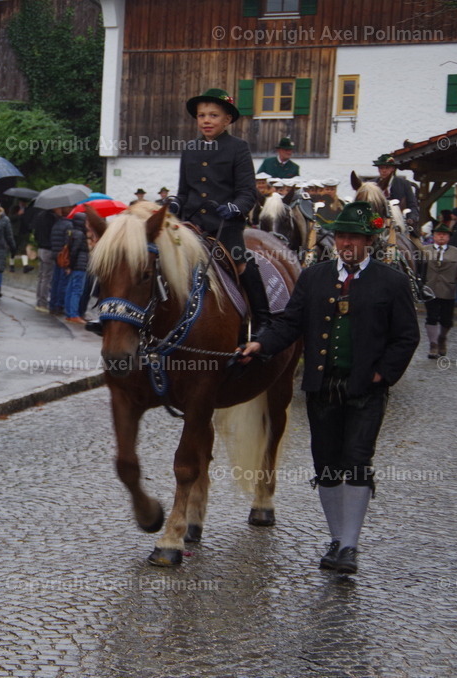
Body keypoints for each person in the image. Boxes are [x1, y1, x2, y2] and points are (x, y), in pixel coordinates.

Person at [239, 201, 419, 575]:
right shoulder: (314, 276)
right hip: (322, 385)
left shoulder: (392, 281)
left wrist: (381, 375)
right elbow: (290, 323)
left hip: (365, 388)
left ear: (367, 241)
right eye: (340, 236)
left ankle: (350, 545)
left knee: (356, 461)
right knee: (326, 464)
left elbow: (406, 337)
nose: (345, 242)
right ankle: (336, 539)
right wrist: (261, 344)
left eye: (353, 236)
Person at [171, 87, 268, 333]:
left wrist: (235, 208)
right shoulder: (189, 148)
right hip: (191, 226)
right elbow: (184, 192)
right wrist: (174, 204)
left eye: (213, 115)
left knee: (242, 263)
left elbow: (248, 192)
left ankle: (264, 321)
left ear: (227, 120)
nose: (206, 120)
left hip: (226, 226)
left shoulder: (238, 147)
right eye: (202, 115)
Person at [421, 220, 457, 358]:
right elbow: (418, 271)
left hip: (448, 291)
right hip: (429, 290)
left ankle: (442, 338)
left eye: (444, 235)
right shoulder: (424, 251)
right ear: (434, 236)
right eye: (438, 234)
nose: (441, 237)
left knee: (447, 320)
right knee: (431, 317)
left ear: (449, 237)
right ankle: (433, 345)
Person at [372, 154, 419, 230]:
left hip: (400, 225)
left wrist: (411, 218)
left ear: (393, 168)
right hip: (376, 225)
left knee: (415, 241)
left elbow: (412, 205)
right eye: (381, 168)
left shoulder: (404, 184)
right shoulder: (372, 185)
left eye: (387, 168)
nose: (384, 170)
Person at [63, 212, 90, 323]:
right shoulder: (80, 235)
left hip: (76, 265)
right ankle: (74, 314)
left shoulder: (72, 233)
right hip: (79, 265)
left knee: (70, 288)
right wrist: (71, 265)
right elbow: (74, 251)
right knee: (77, 290)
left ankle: (69, 312)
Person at [32, 206, 59, 312]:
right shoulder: (52, 218)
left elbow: (35, 233)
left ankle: (39, 300)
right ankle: (42, 303)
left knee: (41, 276)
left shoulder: (39, 215)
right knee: (47, 277)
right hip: (49, 249)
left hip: (41, 248)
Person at [49, 207, 74, 315]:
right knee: (62, 282)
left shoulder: (56, 224)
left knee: (55, 281)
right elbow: (68, 243)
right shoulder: (68, 225)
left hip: (56, 255)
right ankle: (59, 305)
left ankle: (52, 304)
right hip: (63, 257)